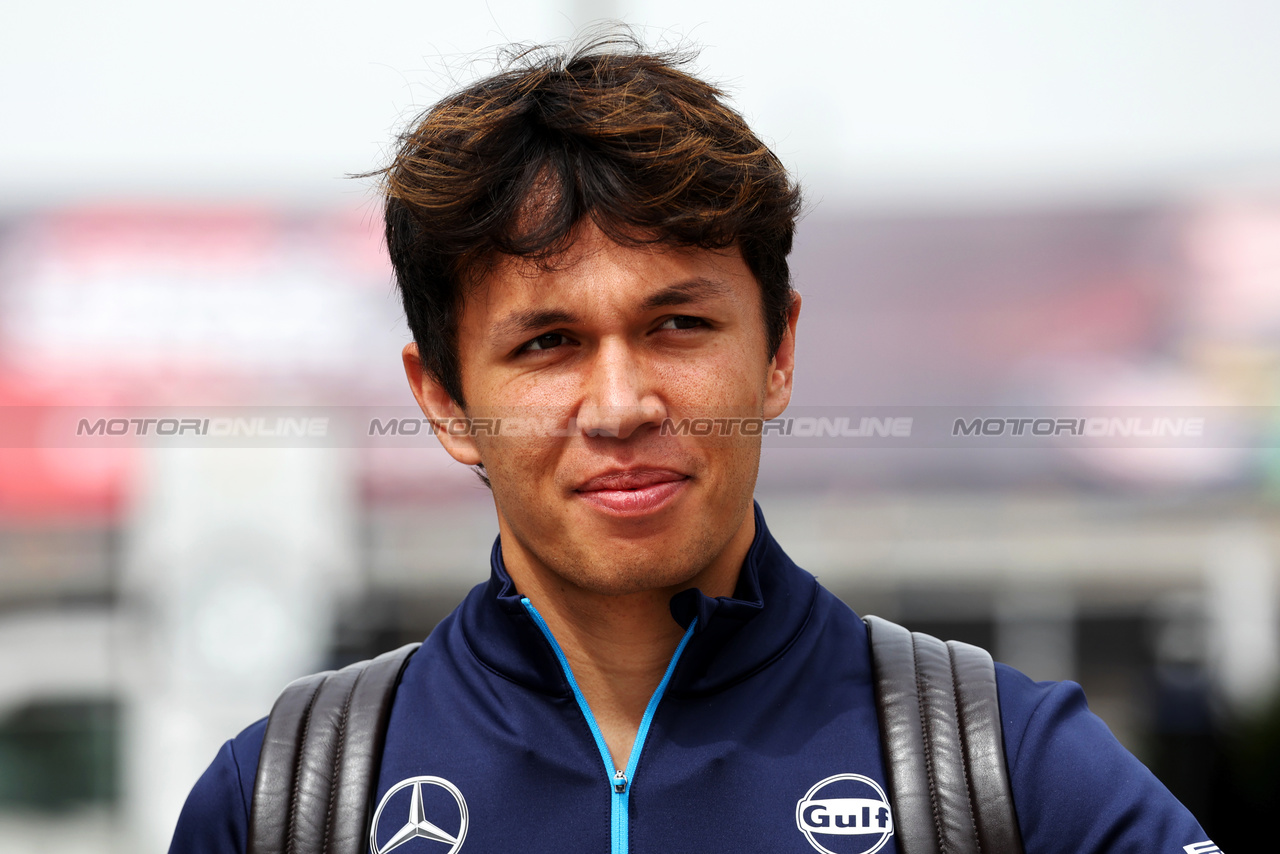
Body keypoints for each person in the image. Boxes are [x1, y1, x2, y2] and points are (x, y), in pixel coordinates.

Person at [169, 35, 1217, 854]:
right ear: (443, 399)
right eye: (547, 342)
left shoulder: (1001, 765)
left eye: (677, 324)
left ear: (777, 352)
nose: (620, 404)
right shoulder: (291, 797)